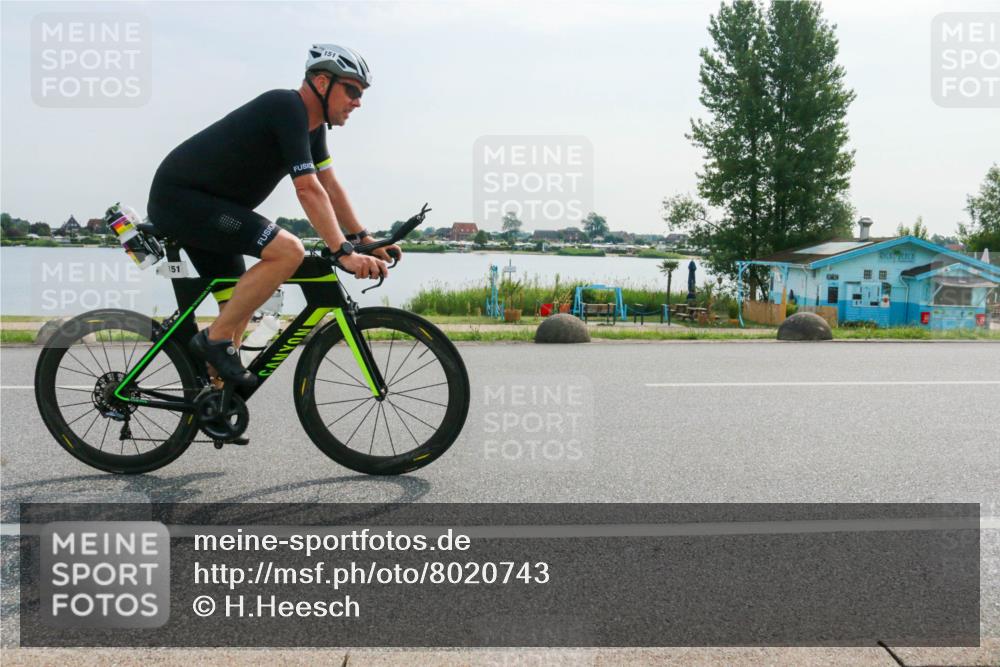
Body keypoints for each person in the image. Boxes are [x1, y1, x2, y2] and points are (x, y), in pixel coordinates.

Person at [147, 44, 396, 388]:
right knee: (288, 251)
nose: (358, 101)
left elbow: (331, 187)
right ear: (322, 83)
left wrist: (364, 239)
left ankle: (212, 404)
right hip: (182, 201)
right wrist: (341, 251)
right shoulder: (286, 106)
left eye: (361, 93)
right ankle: (211, 340)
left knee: (237, 312)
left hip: (215, 210)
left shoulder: (312, 129)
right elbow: (308, 189)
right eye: (352, 90)